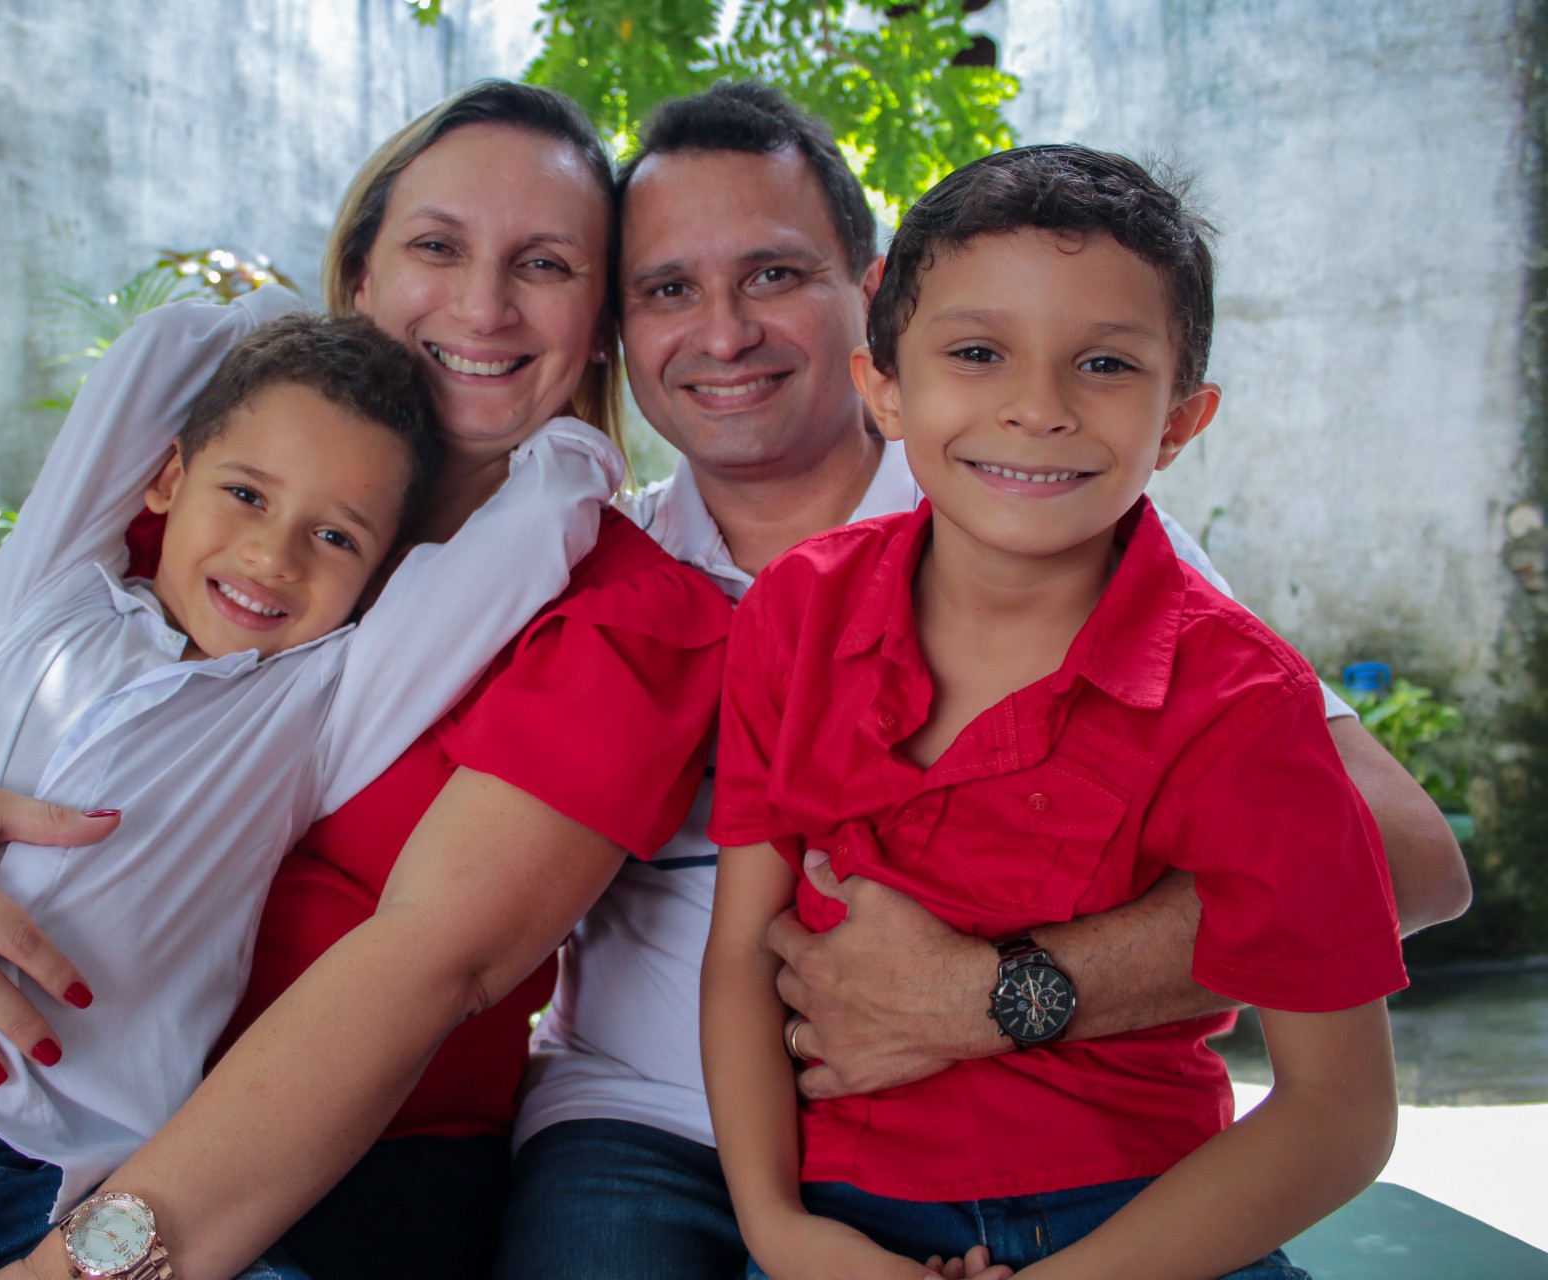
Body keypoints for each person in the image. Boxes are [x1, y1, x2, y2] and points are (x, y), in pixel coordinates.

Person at [496, 82, 1469, 1280]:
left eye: (773, 273)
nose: (724, 329)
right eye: (667, 288)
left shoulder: (1103, 552)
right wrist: (786, 1229)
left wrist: (999, 991)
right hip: (676, 1132)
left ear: (863, 303)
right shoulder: (613, 566)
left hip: (1107, 1177)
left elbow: (1403, 873)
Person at [0, 80, 732, 1280]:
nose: (484, 305)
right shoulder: (211, 503)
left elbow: (433, 959)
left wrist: (84, 1265)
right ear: (361, 278)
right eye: (437, 245)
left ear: (597, 322)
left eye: (543, 263)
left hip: (314, 1185)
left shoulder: (627, 614)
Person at [0, 305, 623, 1273]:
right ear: (168, 478)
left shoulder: (323, 705)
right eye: (245, 493)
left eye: (336, 538)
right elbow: (169, 344)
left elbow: (527, 536)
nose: (271, 554)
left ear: (375, 576)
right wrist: (290, 318)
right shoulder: (49, 588)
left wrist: (572, 442)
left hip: (20, 1192)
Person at [705, 142, 1404, 1280]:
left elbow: (1339, 1111)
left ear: (1181, 421)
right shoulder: (799, 611)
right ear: (882, 383)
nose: (1037, 407)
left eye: (1105, 364)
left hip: (1150, 1226)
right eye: (978, 352)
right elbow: (742, 948)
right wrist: (782, 1229)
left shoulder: (1244, 698)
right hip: (845, 1219)